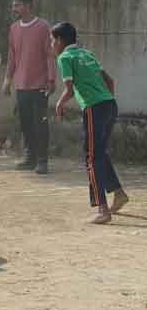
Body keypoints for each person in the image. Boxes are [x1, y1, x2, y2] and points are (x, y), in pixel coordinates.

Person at [53, 22, 129, 224]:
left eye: (53, 41)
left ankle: (103, 209)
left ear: (60, 41)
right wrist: (105, 102)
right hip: (110, 105)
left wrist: (59, 104)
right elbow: (110, 82)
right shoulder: (88, 54)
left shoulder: (64, 58)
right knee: (100, 153)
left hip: (94, 108)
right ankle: (119, 193)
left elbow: (69, 90)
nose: (52, 45)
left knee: (91, 158)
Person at [3, 0, 57, 175]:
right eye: (13, 5)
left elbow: (50, 54)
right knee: (25, 123)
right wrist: (7, 80)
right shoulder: (13, 29)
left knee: (40, 123)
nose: (14, 9)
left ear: (28, 6)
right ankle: (29, 157)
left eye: (17, 5)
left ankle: (43, 161)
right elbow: (12, 56)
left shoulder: (42, 26)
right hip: (21, 85)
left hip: (40, 84)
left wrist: (51, 79)